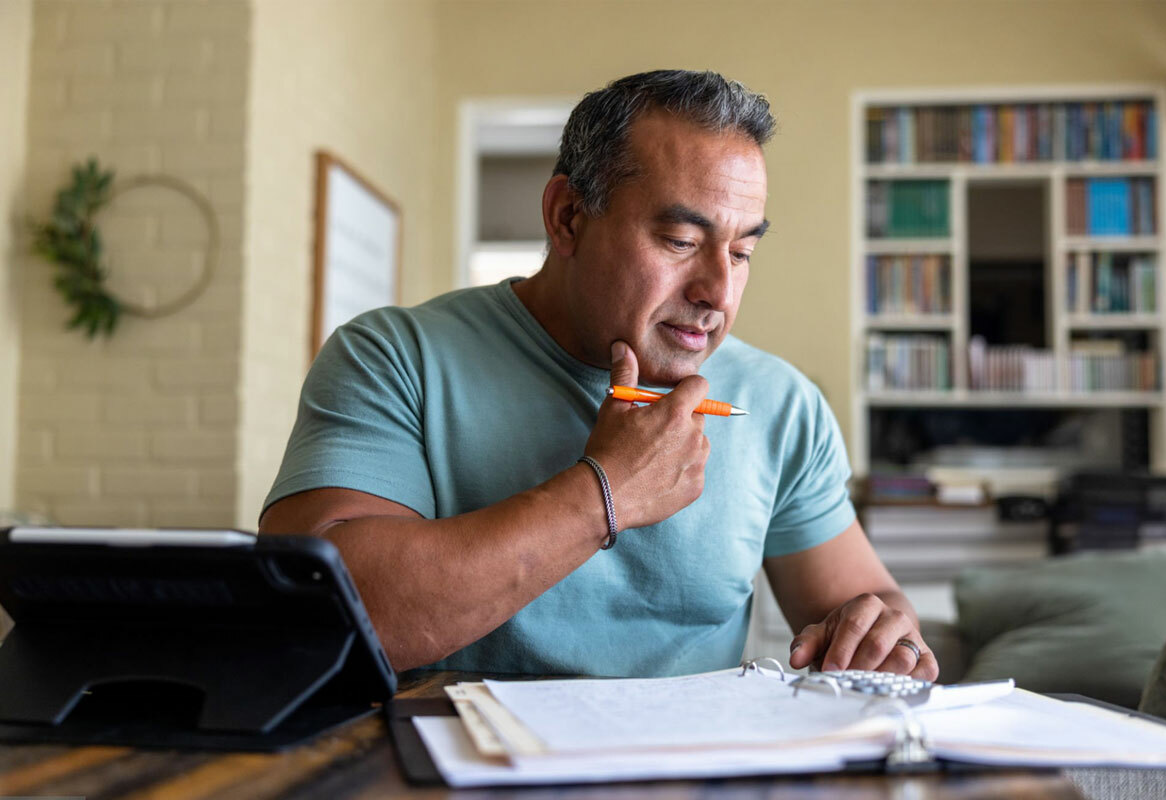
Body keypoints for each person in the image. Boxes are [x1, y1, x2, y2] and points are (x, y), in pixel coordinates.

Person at [260, 69, 938, 681]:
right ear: (568, 217)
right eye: (680, 242)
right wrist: (604, 494)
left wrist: (883, 634)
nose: (717, 291)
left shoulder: (783, 404)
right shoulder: (392, 357)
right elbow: (320, 618)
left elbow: (862, 602)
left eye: (742, 250)